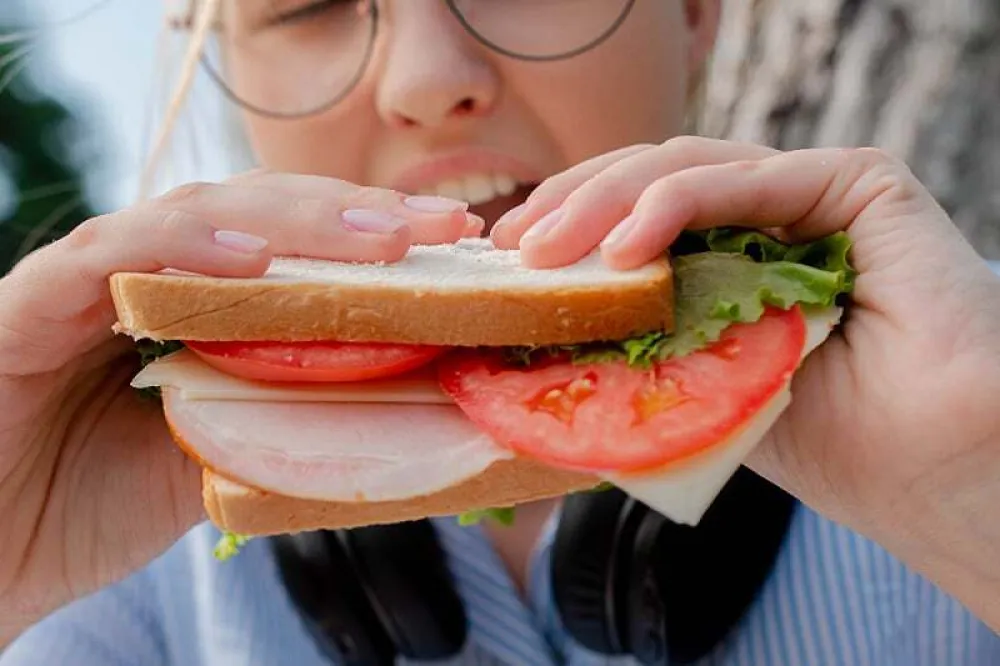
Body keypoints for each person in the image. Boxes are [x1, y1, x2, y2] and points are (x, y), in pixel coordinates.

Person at [1, 1, 999, 664]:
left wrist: (971, 505)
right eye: (306, 1)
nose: (428, 79)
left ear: (696, 14)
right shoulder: (104, 551)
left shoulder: (969, 363)